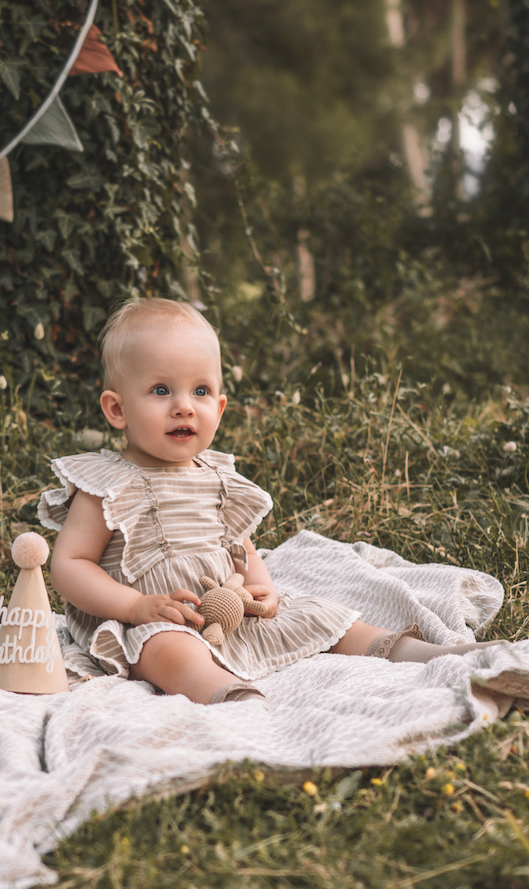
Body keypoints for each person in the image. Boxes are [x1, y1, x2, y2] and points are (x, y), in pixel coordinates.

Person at [44, 298, 498, 705]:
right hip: (156, 615)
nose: (184, 406)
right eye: (161, 390)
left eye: (200, 391)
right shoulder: (106, 482)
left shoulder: (219, 476)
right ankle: (230, 698)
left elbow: (240, 546)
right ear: (117, 409)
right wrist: (132, 607)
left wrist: (262, 586)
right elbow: (69, 564)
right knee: (168, 650)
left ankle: (426, 653)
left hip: (229, 607)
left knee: (322, 616)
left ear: (219, 408)